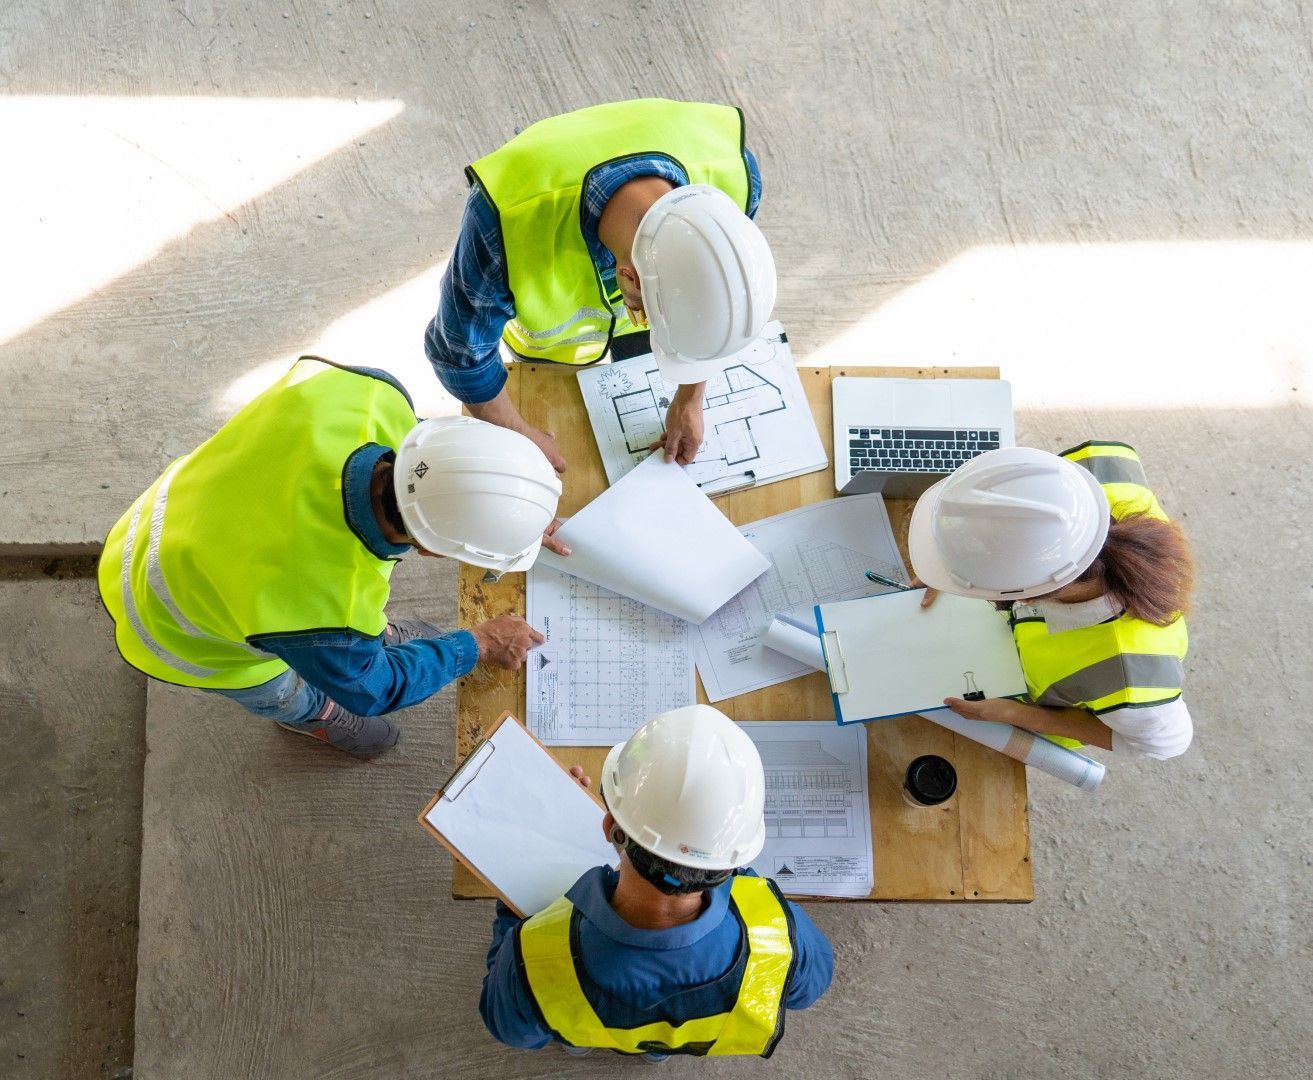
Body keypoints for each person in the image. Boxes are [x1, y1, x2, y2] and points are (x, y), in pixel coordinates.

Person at [98, 356, 561, 758]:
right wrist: (477, 644)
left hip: (165, 520)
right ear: (431, 549)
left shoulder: (373, 398)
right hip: (171, 623)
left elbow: (443, 469)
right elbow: (375, 688)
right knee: (283, 688)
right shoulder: (322, 606)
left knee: (340, 641)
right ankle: (310, 714)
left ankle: (361, 647)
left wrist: (507, 501)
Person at [424, 98, 776, 474]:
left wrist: (691, 397)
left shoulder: (731, 174)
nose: (644, 322)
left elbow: (716, 298)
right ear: (627, 277)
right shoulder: (504, 221)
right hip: (552, 349)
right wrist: (519, 434)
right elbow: (460, 356)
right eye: (647, 313)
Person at [480, 705, 834, 1059]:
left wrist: (516, 905)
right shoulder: (778, 938)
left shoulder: (538, 958)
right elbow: (810, 987)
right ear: (732, 864)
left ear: (611, 830)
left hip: (584, 1014)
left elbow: (509, 1025)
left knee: (573, 1026)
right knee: (660, 1040)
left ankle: (581, 1044)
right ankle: (656, 1053)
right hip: (695, 1035)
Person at [908, 441, 1195, 760]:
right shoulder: (1092, 472)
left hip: (1012, 705)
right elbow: (1015, 519)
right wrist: (952, 559)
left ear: (1027, 596)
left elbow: (1166, 745)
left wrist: (1012, 715)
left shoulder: (1130, 677)